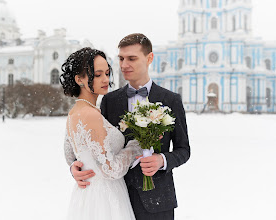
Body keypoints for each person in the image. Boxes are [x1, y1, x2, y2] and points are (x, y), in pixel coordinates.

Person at [71, 34, 191, 220]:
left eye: (132, 58)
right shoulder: (109, 101)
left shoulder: (171, 100)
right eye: (121, 58)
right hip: (116, 198)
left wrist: (162, 160)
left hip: (158, 200)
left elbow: (184, 150)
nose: (124, 65)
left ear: (149, 58)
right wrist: (76, 166)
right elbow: (93, 141)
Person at [61, 47, 142, 220]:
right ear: (79, 79)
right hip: (105, 198)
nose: (106, 79)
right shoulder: (90, 115)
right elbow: (110, 170)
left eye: (107, 73)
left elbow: (71, 157)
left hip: (87, 194)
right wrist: (136, 147)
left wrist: (75, 168)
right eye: (98, 75)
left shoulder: (75, 112)